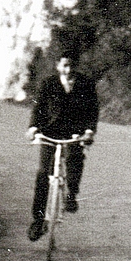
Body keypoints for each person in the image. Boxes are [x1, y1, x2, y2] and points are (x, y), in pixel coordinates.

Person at [26, 47, 99, 241]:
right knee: (43, 173)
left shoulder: (85, 84)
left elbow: (92, 111)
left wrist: (89, 131)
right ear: (58, 66)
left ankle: (71, 195)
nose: (68, 70)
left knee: (75, 159)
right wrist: (33, 128)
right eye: (65, 65)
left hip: (75, 133)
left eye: (72, 66)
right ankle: (38, 220)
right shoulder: (48, 84)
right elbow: (38, 108)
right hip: (50, 132)